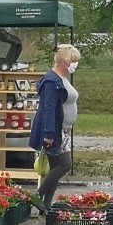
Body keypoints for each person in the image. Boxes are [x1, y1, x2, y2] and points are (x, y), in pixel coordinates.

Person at [28, 43, 81, 214]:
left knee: (54, 168)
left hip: (62, 130)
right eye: (73, 60)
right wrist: (49, 134)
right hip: (55, 132)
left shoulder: (60, 79)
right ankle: (37, 196)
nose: (75, 64)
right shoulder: (51, 82)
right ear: (64, 61)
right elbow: (48, 109)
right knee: (65, 165)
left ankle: (47, 205)